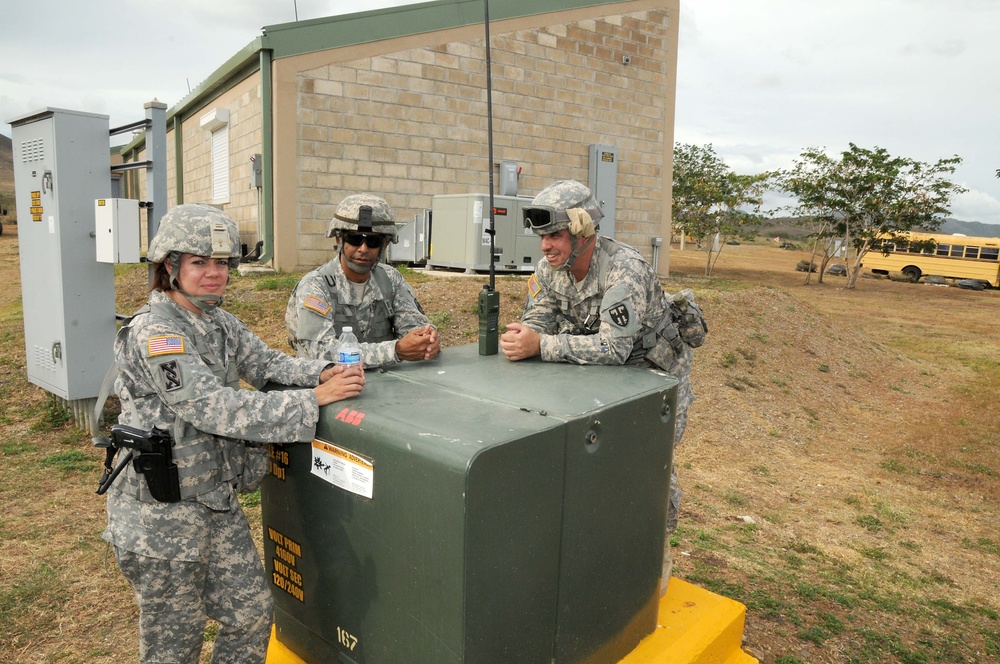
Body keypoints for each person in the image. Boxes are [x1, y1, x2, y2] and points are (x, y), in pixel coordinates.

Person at [101, 203, 366, 663]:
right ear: (171, 267)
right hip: (161, 518)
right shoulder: (157, 333)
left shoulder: (218, 323)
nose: (213, 274)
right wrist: (312, 401)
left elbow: (268, 364)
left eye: (221, 263)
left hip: (214, 502)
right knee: (174, 648)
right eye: (199, 263)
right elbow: (212, 407)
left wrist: (322, 371)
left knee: (252, 617)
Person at [499, 180, 706, 593]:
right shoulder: (548, 270)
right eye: (542, 237)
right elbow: (540, 314)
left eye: (554, 235)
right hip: (602, 374)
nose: (545, 247)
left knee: (649, 463)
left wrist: (543, 344)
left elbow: (613, 346)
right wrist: (523, 335)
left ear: (582, 232)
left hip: (655, 377)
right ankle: (601, 550)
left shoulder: (623, 269)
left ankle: (654, 549)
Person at [285, 193, 440, 367]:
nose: (363, 249)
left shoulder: (390, 279)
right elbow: (320, 352)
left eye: (373, 241)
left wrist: (427, 341)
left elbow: (415, 328)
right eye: (354, 239)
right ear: (339, 239)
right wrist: (394, 351)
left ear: (385, 245)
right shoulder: (316, 285)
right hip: (329, 386)